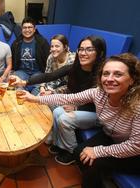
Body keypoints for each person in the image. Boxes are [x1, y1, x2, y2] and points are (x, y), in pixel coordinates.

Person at [19, 53, 140, 188]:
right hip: (112, 135)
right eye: (106, 74)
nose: (109, 79)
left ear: (132, 79)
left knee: (94, 162)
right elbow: (69, 98)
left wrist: (98, 151)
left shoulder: (137, 106)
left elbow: (135, 146)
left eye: (118, 74)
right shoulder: (99, 93)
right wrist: (35, 99)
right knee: (78, 152)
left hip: (135, 152)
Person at [11, 36, 107, 165]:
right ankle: (59, 144)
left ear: (99, 53)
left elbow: (102, 104)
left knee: (64, 118)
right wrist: (24, 81)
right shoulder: (75, 67)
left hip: (97, 112)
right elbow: (49, 76)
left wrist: (77, 108)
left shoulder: (103, 75)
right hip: (75, 102)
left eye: (89, 49)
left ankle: (73, 152)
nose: (83, 53)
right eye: (81, 49)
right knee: (57, 112)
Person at [11, 17, 49, 95]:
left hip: (37, 72)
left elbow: (48, 59)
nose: (27, 30)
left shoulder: (42, 42)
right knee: (16, 85)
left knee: (38, 89)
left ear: (34, 29)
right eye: (24, 27)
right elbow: (12, 60)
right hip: (21, 72)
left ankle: (33, 100)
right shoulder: (16, 43)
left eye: (30, 27)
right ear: (21, 29)